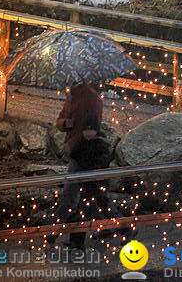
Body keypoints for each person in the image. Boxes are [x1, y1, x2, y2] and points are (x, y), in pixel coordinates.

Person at [53, 83, 104, 248]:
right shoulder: (72, 96)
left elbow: (91, 126)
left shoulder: (91, 98)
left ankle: (51, 233)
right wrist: (64, 123)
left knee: (75, 196)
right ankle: (113, 227)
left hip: (85, 153)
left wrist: (72, 145)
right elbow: (61, 120)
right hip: (76, 150)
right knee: (91, 198)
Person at [64, 114, 121, 252]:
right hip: (88, 184)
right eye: (85, 130)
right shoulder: (84, 143)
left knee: (92, 210)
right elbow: (78, 155)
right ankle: (118, 228)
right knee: (97, 209)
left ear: (95, 130)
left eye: (90, 129)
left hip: (96, 184)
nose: (87, 132)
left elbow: (99, 163)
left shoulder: (100, 144)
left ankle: (124, 228)